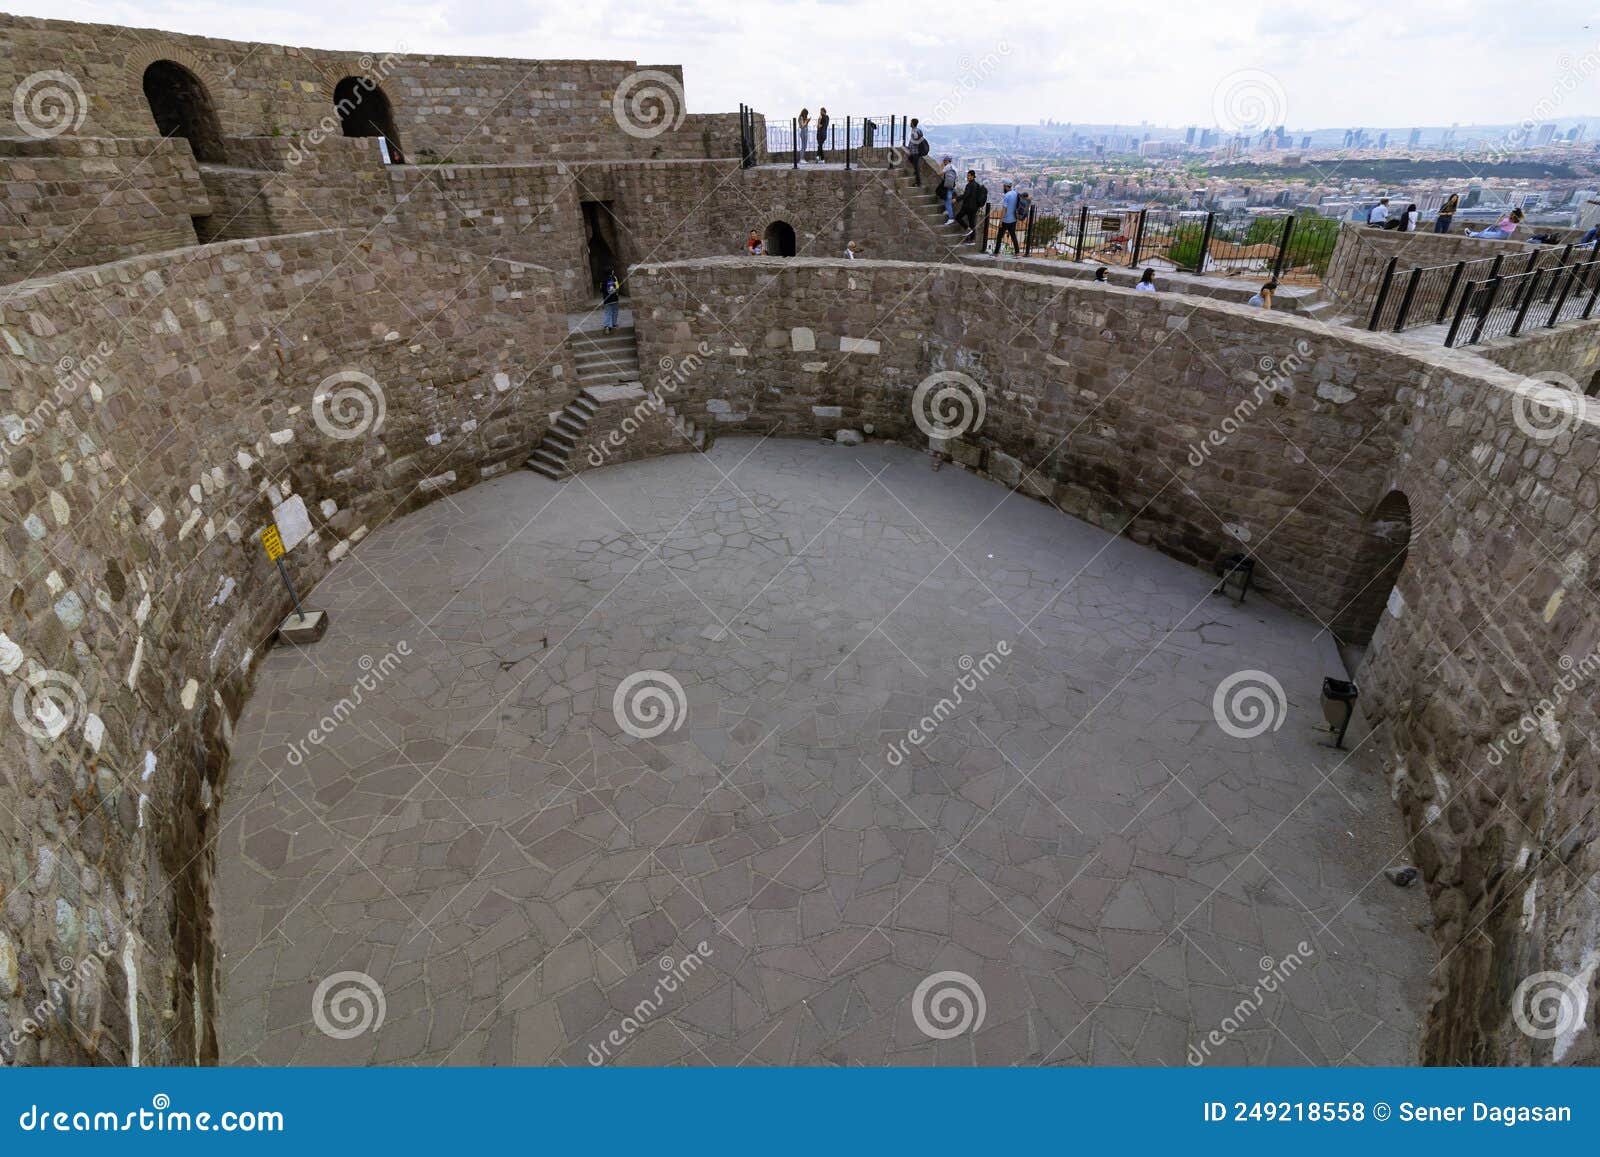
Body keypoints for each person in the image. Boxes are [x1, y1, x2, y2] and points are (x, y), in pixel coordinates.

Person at [954, 170, 985, 239]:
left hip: (968, 207)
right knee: (972, 223)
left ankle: (967, 228)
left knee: (958, 217)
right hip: (975, 207)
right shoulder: (977, 185)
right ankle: (972, 239)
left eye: (969, 176)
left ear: (973, 176)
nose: (967, 177)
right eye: (967, 176)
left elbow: (965, 195)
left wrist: (956, 199)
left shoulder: (969, 185)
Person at [992, 182, 1020, 256]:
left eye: (1004, 187)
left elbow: (1004, 209)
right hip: (1013, 218)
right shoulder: (1015, 193)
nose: (1003, 188)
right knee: (1013, 235)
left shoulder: (1007, 195)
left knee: (999, 236)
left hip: (1006, 220)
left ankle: (996, 252)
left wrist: (1000, 220)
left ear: (1006, 187)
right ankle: (1017, 252)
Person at [906, 117, 925, 186]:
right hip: (918, 151)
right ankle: (916, 170)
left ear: (913, 124)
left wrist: (909, 148)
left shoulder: (914, 131)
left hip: (915, 151)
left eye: (910, 123)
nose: (910, 124)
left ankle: (918, 183)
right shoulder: (919, 130)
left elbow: (913, 141)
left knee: (916, 167)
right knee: (910, 159)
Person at [602, 269, 621, 333]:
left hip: (607, 299)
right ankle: (614, 324)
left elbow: (601, 289)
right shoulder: (614, 278)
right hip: (614, 298)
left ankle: (607, 326)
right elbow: (617, 287)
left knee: (608, 312)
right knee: (615, 312)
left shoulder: (602, 279)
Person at [939, 157, 958, 224]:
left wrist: (941, 167)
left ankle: (951, 217)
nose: (943, 162)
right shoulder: (954, 167)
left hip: (948, 186)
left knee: (948, 201)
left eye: (944, 161)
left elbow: (940, 173)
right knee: (947, 199)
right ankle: (947, 210)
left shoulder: (947, 167)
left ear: (947, 161)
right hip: (953, 186)